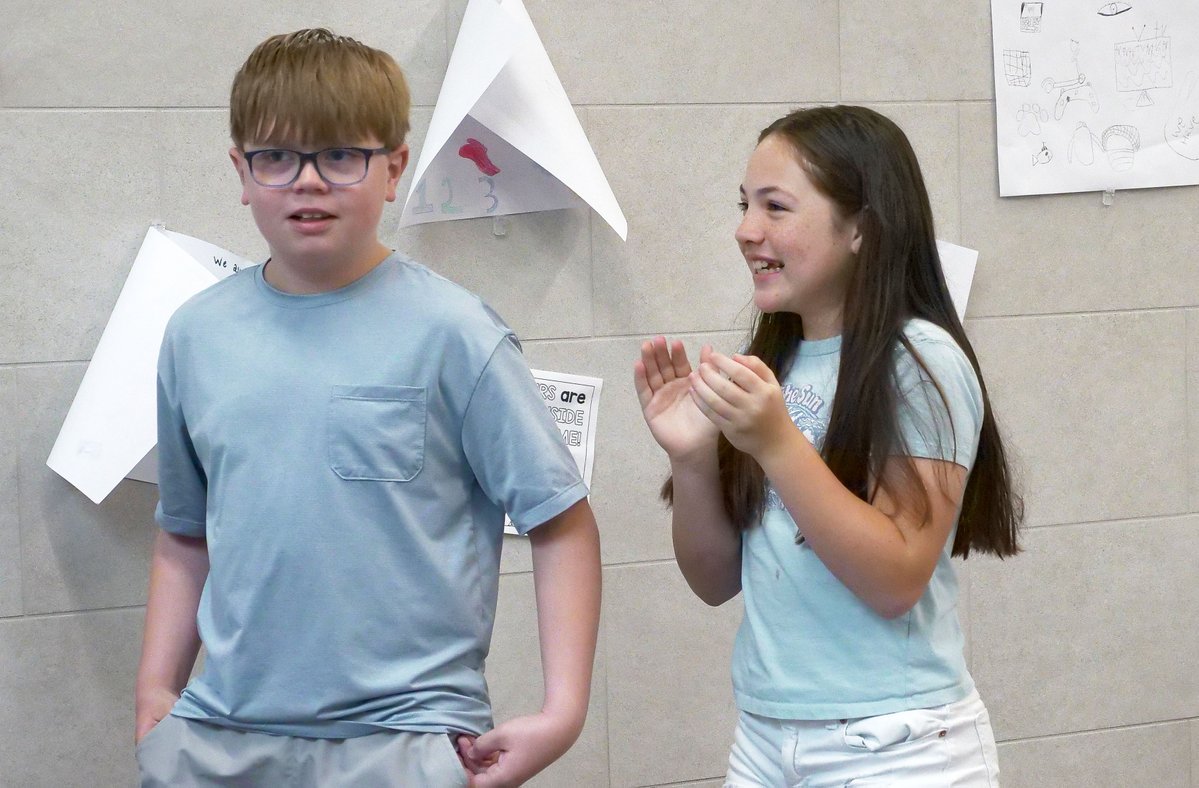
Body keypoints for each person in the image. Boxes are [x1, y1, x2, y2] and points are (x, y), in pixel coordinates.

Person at [134, 28, 601, 787]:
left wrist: (564, 711)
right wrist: (156, 690)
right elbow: (184, 535)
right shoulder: (196, 335)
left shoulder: (455, 333)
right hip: (220, 737)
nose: (307, 181)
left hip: (406, 740)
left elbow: (561, 523)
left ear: (393, 169)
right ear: (241, 172)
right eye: (277, 157)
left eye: (340, 155)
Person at [634, 105, 1021, 786]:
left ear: (861, 228)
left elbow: (896, 578)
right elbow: (714, 581)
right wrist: (691, 458)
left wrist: (778, 444)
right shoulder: (778, 359)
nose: (745, 230)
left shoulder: (919, 360)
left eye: (775, 207)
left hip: (895, 746)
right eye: (744, 204)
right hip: (764, 736)